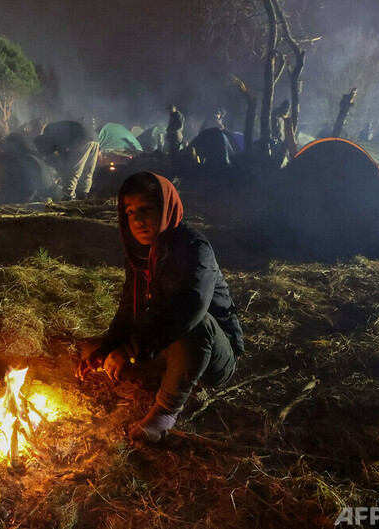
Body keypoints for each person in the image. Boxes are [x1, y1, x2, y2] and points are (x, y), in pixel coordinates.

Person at [76, 171, 244, 442]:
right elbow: (128, 309)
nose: (137, 220)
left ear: (166, 208)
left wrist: (130, 350)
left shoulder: (194, 248)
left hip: (212, 355)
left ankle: (165, 411)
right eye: (130, 212)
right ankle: (172, 377)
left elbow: (190, 309)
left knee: (195, 322)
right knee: (91, 351)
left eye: (147, 209)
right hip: (164, 346)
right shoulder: (140, 254)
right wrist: (107, 349)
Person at [34, 120, 99, 200]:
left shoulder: (49, 133)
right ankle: (83, 194)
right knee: (88, 170)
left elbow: (62, 150)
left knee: (74, 170)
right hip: (95, 138)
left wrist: (65, 164)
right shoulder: (53, 127)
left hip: (81, 138)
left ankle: (68, 195)